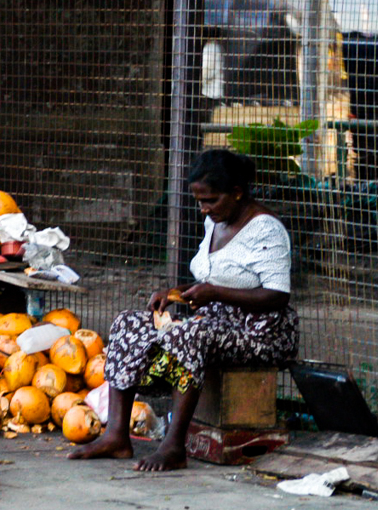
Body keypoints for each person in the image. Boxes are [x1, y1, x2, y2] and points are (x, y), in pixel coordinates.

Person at [70, 148, 299, 471]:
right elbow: (210, 276)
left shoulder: (266, 229)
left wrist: (215, 292)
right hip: (214, 322)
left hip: (261, 333)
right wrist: (173, 293)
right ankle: (116, 435)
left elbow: (277, 296)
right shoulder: (215, 221)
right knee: (129, 323)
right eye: (200, 201)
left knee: (189, 332)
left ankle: (174, 445)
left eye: (211, 200)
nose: (204, 209)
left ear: (237, 192)